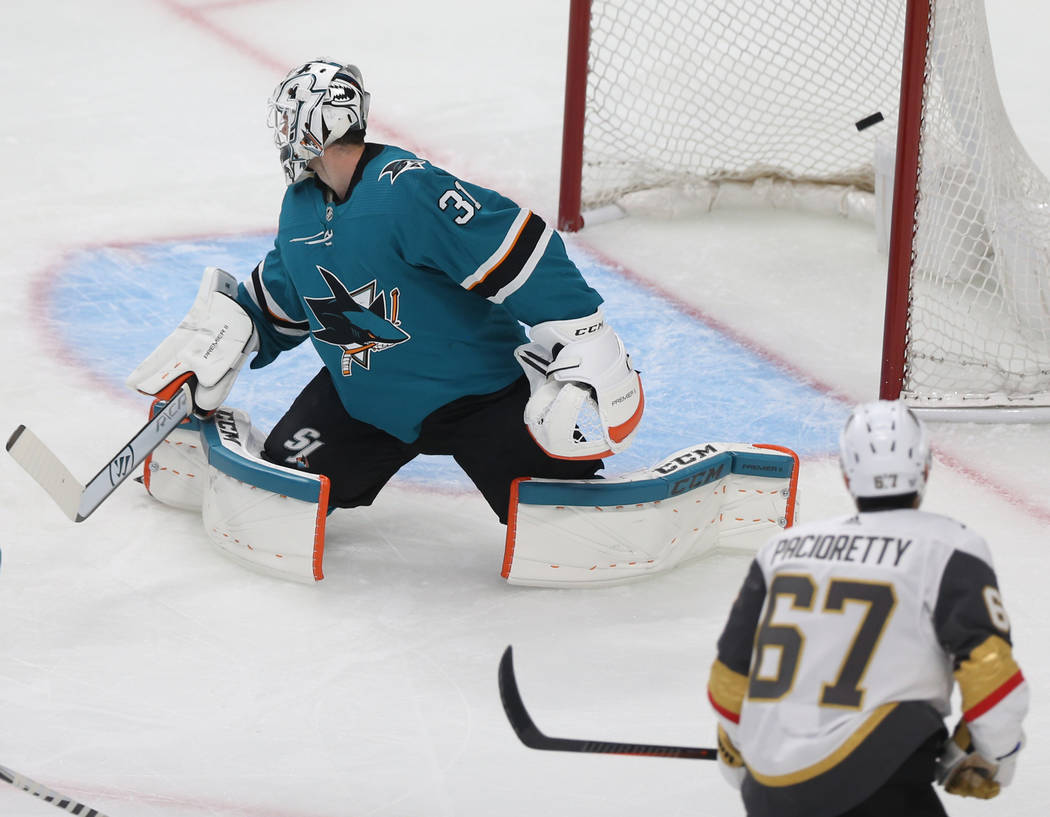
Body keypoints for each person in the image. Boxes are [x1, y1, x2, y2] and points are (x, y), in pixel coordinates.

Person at [128, 58, 644, 526]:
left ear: (315, 128)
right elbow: (284, 294)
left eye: (290, 121)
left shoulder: (408, 191)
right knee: (282, 491)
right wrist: (225, 340)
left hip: (478, 396)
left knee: (559, 518)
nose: (283, 135)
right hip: (363, 402)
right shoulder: (300, 208)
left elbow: (516, 247)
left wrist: (584, 330)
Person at [706, 400, 1027, 817]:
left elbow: (728, 679)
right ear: (926, 468)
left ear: (846, 474)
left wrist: (745, 763)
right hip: (879, 787)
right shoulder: (951, 547)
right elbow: (992, 677)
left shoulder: (780, 551)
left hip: (770, 793)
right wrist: (991, 761)